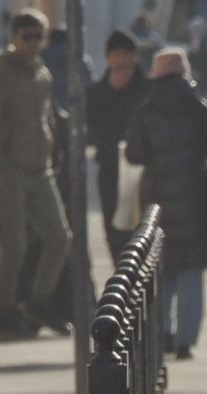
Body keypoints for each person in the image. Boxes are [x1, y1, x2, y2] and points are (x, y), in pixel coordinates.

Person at [0, 8, 72, 339]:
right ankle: (6, 310)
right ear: (14, 38)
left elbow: (47, 118)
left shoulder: (41, 72)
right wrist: (0, 167)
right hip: (12, 171)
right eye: (26, 37)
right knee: (15, 244)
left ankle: (37, 302)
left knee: (59, 238)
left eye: (37, 37)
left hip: (40, 170)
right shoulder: (3, 73)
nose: (32, 43)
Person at [125, 48, 207, 360]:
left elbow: (134, 155)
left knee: (161, 269)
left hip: (158, 200)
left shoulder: (145, 111)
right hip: (195, 199)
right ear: (184, 72)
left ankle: (164, 334)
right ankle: (186, 342)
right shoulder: (199, 108)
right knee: (191, 271)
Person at [88, 29, 148, 259]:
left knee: (141, 233)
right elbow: (91, 124)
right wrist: (111, 90)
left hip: (141, 172)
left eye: (126, 54)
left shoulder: (148, 89)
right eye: (116, 54)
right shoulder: (98, 91)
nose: (121, 60)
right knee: (114, 233)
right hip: (111, 169)